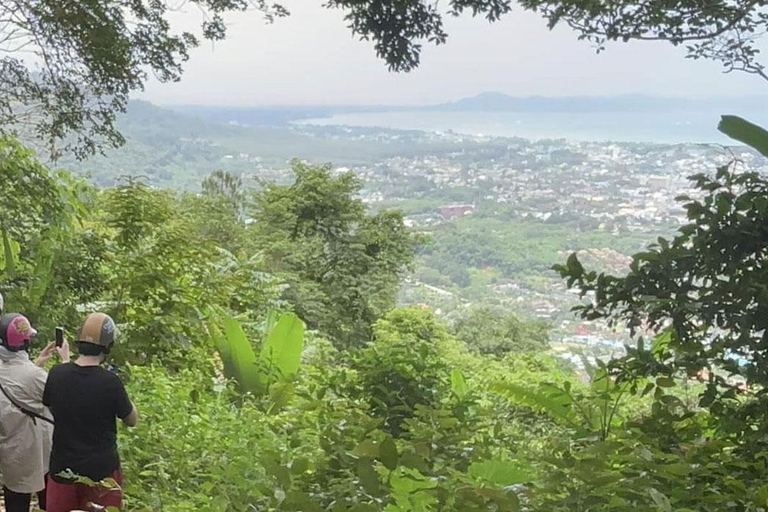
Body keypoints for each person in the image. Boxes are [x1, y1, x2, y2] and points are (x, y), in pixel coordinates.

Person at [43, 312, 138, 512]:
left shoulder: (57, 374)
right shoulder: (110, 382)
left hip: (63, 470)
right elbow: (131, 420)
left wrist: (66, 361)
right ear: (108, 346)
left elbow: (54, 405)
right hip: (101, 474)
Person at [0, 312, 70, 512]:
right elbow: (67, 395)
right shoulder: (35, 376)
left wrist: (38, 362)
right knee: (49, 503)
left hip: (11, 453)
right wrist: (65, 360)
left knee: (16, 504)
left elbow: (16, 380)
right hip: (41, 454)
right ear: (24, 342)